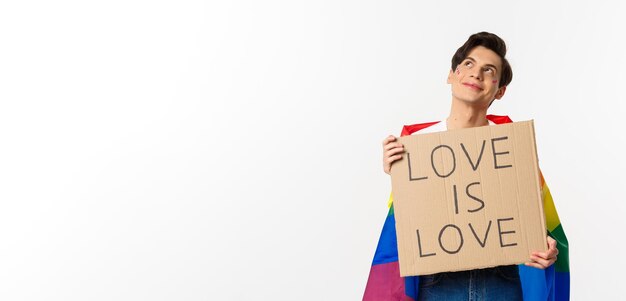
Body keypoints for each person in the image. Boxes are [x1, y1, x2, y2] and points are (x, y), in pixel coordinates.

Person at [363, 32, 569, 301]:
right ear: (452, 74)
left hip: (503, 282)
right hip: (437, 285)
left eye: (488, 70)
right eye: (469, 65)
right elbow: (405, 228)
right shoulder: (414, 146)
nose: (476, 74)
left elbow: (533, 222)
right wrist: (398, 176)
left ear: (500, 90)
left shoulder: (513, 146)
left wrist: (547, 248)